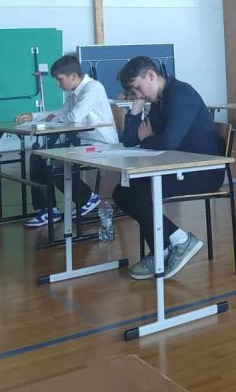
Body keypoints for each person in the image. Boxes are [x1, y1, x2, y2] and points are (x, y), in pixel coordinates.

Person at [115, 56, 223, 281]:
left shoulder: (181, 95)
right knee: (123, 191)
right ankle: (167, 247)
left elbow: (167, 141)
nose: (138, 94)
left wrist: (147, 139)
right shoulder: (158, 101)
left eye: (137, 88)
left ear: (151, 75)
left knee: (141, 194)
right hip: (177, 166)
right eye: (133, 92)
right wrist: (136, 107)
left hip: (203, 170)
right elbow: (130, 141)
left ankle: (178, 243)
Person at [16, 54, 118, 228]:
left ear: (73, 76)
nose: (57, 83)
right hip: (82, 142)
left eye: (59, 79)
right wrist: (34, 116)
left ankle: (87, 198)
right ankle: (48, 210)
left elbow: (74, 116)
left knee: (56, 163)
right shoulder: (74, 91)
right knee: (38, 156)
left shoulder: (93, 88)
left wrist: (52, 119)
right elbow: (62, 112)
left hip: (101, 145)